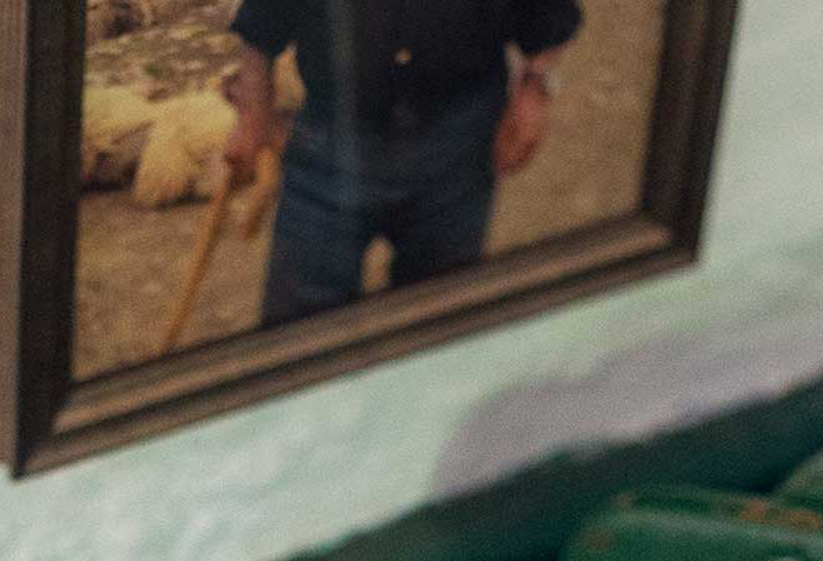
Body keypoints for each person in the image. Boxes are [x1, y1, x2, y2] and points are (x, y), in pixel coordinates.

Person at [225, 0, 584, 326]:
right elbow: (262, 18)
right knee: (298, 339)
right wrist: (252, 112)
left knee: (437, 332)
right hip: (329, 144)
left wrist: (535, 89)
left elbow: (549, 11)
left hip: (456, 147)